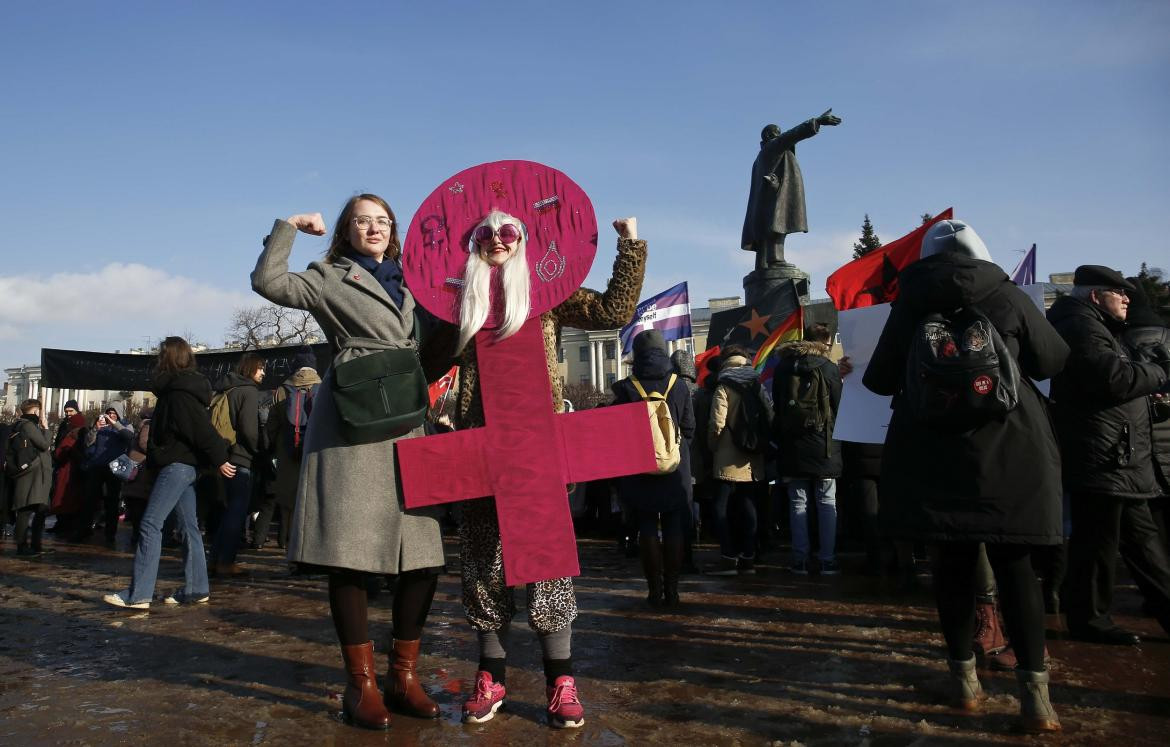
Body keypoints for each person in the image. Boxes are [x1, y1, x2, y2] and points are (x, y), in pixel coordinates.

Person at [863, 219, 1068, 733]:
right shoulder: (1009, 296)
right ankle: (1036, 698)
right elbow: (1054, 359)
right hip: (1010, 451)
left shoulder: (909, 304)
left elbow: (879, 378)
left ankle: (964, 682)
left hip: (933, 455)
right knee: (1017, 567)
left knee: (951, 568)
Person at [251, 195, 447, 730]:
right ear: (345, 230)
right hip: (353, 419)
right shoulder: (327, 275)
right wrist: (288, 227)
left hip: (407, 414)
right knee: (350, 553)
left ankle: (402, 677)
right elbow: (268, 282)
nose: (375, 227)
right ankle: (359, 685)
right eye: (363, 219)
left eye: (383, 220)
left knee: (424, 555)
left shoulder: (416, 281)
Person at [451, 211, 645, 728]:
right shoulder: (456, 300)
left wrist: (628, 245)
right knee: (482, 564)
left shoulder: (549, 291)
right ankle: (490, 675)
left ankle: (561, 680)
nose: (497, 240)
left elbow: (614, 311)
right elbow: (418, 355)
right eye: (486, 234)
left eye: (508, 232)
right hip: (479, 449)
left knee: (546, 565)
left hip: (536, 447)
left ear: (523, 241)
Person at [1047, 265, 1170, 645]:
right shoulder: (1081, 326)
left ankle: (1095, 618)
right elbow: (1112, 379)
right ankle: (1089, 622)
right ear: (1096, 296)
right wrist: (1161, 371)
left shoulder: (1094, 325)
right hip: (1104, 455)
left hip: (1118, 454)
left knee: (1139, 545)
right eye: (1119, 293)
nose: (1127, 298)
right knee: (1098, 545)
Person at [104, 337, 235, 610]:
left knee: (151, 524)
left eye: (160, 355)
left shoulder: (178, 393)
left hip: (176, 465)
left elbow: (200, 429)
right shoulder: (178, 390)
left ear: (169, 358)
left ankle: (139, 594)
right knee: (188, 527)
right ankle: (196, 588)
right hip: (181, 466)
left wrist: (220, 458)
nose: (156, 359)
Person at [613, 330, 695, 606]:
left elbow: (616, 433)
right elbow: (690, 428)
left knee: (646, 526)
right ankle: (672, 589)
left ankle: (654, 589)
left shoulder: (626, 387)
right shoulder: (679, 385)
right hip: (674, 468)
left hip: (638, 467)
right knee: (674, 527)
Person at [773, 323, 843, 575]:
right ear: (826, 343)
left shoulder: (783, 368)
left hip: (793, 445)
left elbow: (778, 406)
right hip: (824, 444)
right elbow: (839, 405)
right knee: (826, 502)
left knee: (798, 502)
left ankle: (800, 559)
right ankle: (828, 559)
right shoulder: (829, 368)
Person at [741, 109, 842, 270]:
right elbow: (792, 135)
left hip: (769, 195)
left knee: (770, 228)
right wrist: (817, 121)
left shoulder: (759, 158)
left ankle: (764, 263)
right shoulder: (772, 147)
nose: (779, 136)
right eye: (776, 133)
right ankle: (775, 258)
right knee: (777, 225)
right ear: (768, 136)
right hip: (775, 194)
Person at [706, 345, 772, 576]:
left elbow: (717, 423)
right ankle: (748, 556)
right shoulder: (756, 383)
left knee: (720, 506)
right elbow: (769, 413)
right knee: (748, 503)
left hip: (727, 453)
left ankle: (728, 556)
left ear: (725, 361)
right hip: (753, 454)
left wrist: (714, 447)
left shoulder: (723, 385)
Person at [209, 353, 264, 577]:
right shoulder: (249, 392)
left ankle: (215, 560)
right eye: (260, 368)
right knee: (237, 512)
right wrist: (259, 450)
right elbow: (250, 430)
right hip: (241, 458)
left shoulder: (226, 389)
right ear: (250, 369)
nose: (263, 373)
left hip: (224, 455)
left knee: (227, 512)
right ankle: (226, 561)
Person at [259, 363, 322, 551]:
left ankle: (286, 542)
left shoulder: (282, 399)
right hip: (313, 453)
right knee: (310, 501)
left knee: (287, 503)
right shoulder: (322, 396)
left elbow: (269, 431)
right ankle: (308, 548)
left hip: (287, 455)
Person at [76, 402, 134, 544]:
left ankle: (110, 533)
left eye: (114, 413)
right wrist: (95, 429)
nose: (110, 415)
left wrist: (114, 423)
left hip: (115, 467)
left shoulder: (125, 425)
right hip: (97, 466)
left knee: (112, 502)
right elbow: (88, 443)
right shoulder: (100, 425)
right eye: (109, 413)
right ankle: (84, 530)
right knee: (90, 500)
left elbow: (128, 437)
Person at [9, 399, 52, 556]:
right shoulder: (28, 426)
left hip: (31, 473)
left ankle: (35, 544)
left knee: (39, 508)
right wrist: (46, 428)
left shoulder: (19, 424)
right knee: (26, 510)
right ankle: (22, 546)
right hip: (33, 473)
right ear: (35, 411)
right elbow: (44, 445)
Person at [49, 412, 89, 534]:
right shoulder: (84, 435)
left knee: (63, 499)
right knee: (71, 500)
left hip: (67, 471)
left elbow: (59, 453)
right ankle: (69, 525)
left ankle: (63, 525)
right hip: (76, 472)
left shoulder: (71, 436)